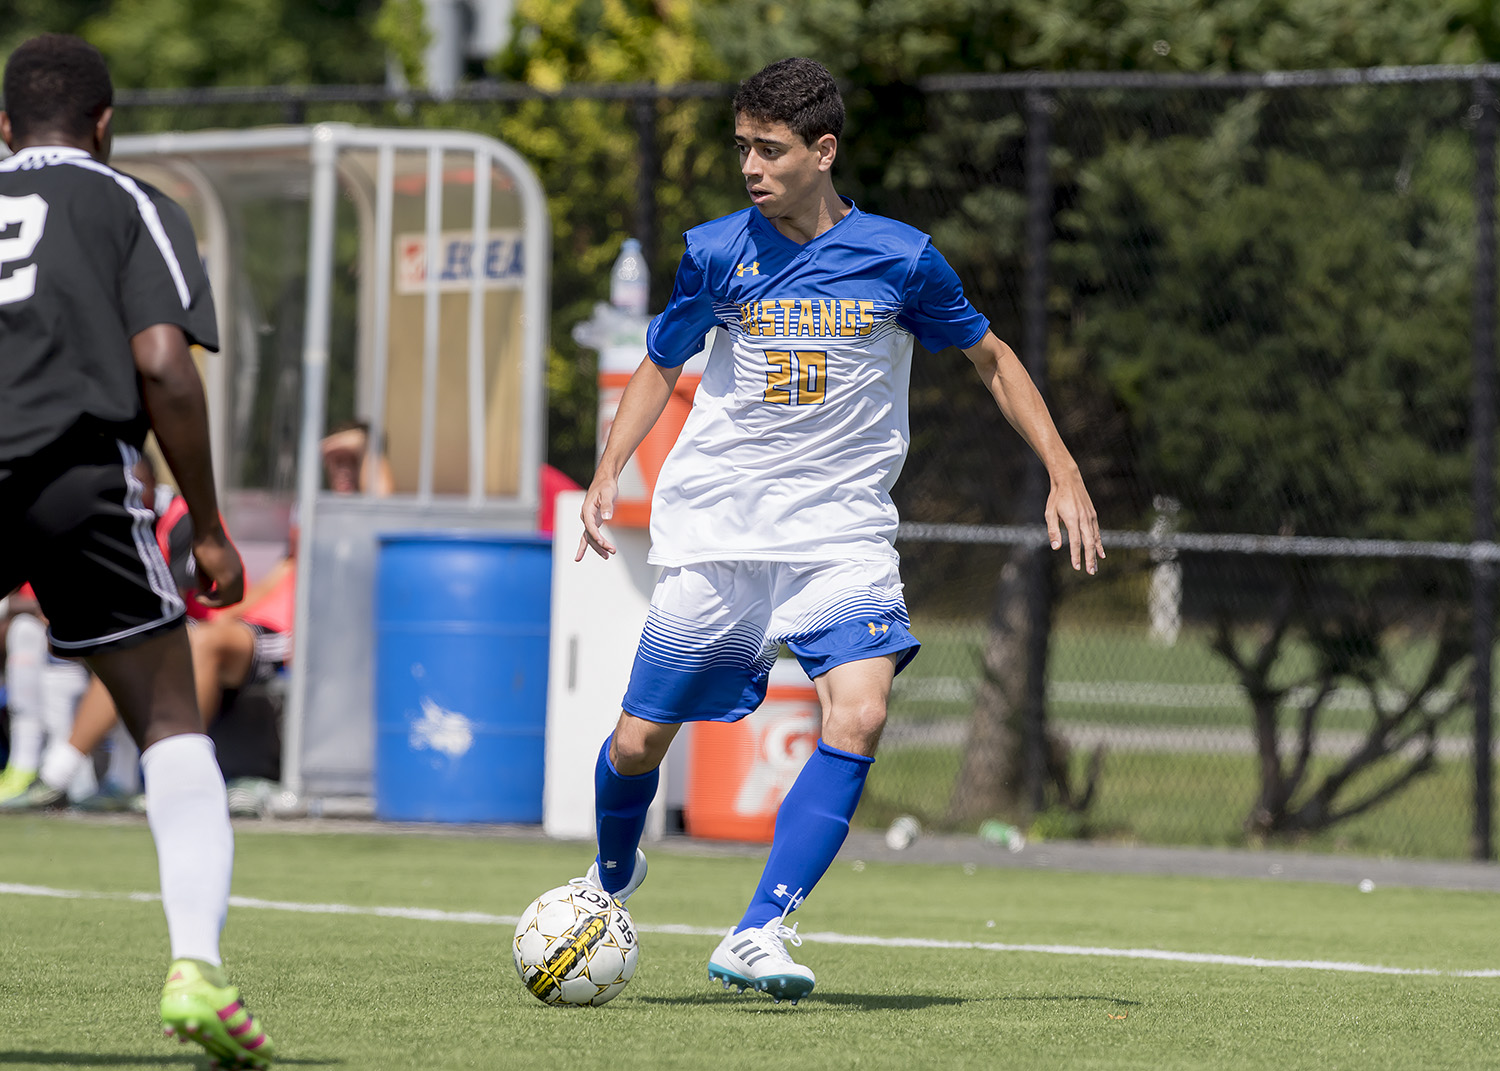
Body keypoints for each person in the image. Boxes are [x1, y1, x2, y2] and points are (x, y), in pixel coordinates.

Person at [572, 57, 1105, 1003]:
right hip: (724, 533)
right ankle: (610, 878)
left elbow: (991, 356)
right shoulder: (713, 250)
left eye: (769, 149)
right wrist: (610, 466)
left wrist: (1063, 466)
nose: (750, 166)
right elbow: (662, 361)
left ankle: (760, 926)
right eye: (742, 146)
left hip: (841, 536)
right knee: (637, 743)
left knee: (859, 710)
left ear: (823, 151)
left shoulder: (901, 257)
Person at [0, 34, 273, 1069]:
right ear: (106, 126)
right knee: (167, 719)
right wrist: (205, 522)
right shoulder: (131, 203)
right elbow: (161, 362)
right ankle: (196, 966)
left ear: (4, 128)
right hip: (75, 471)